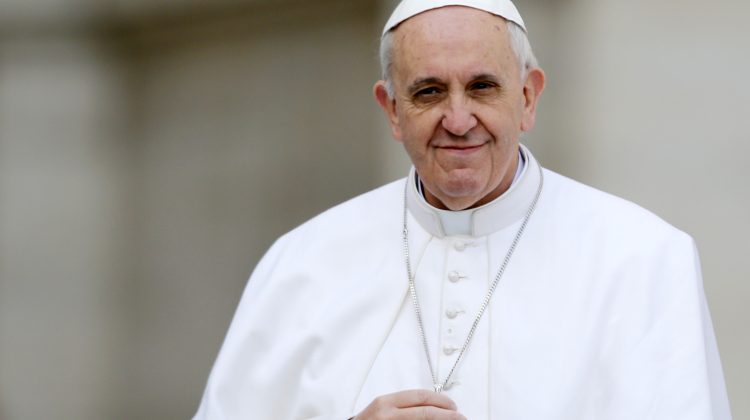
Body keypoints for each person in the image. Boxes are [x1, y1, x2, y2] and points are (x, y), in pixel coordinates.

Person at [193, 0, 732, 419]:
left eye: (482, 88)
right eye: (428, 91)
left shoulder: (643, 258)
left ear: (528, 97)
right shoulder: (300, 263)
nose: (457, 118)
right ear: (392, 109)